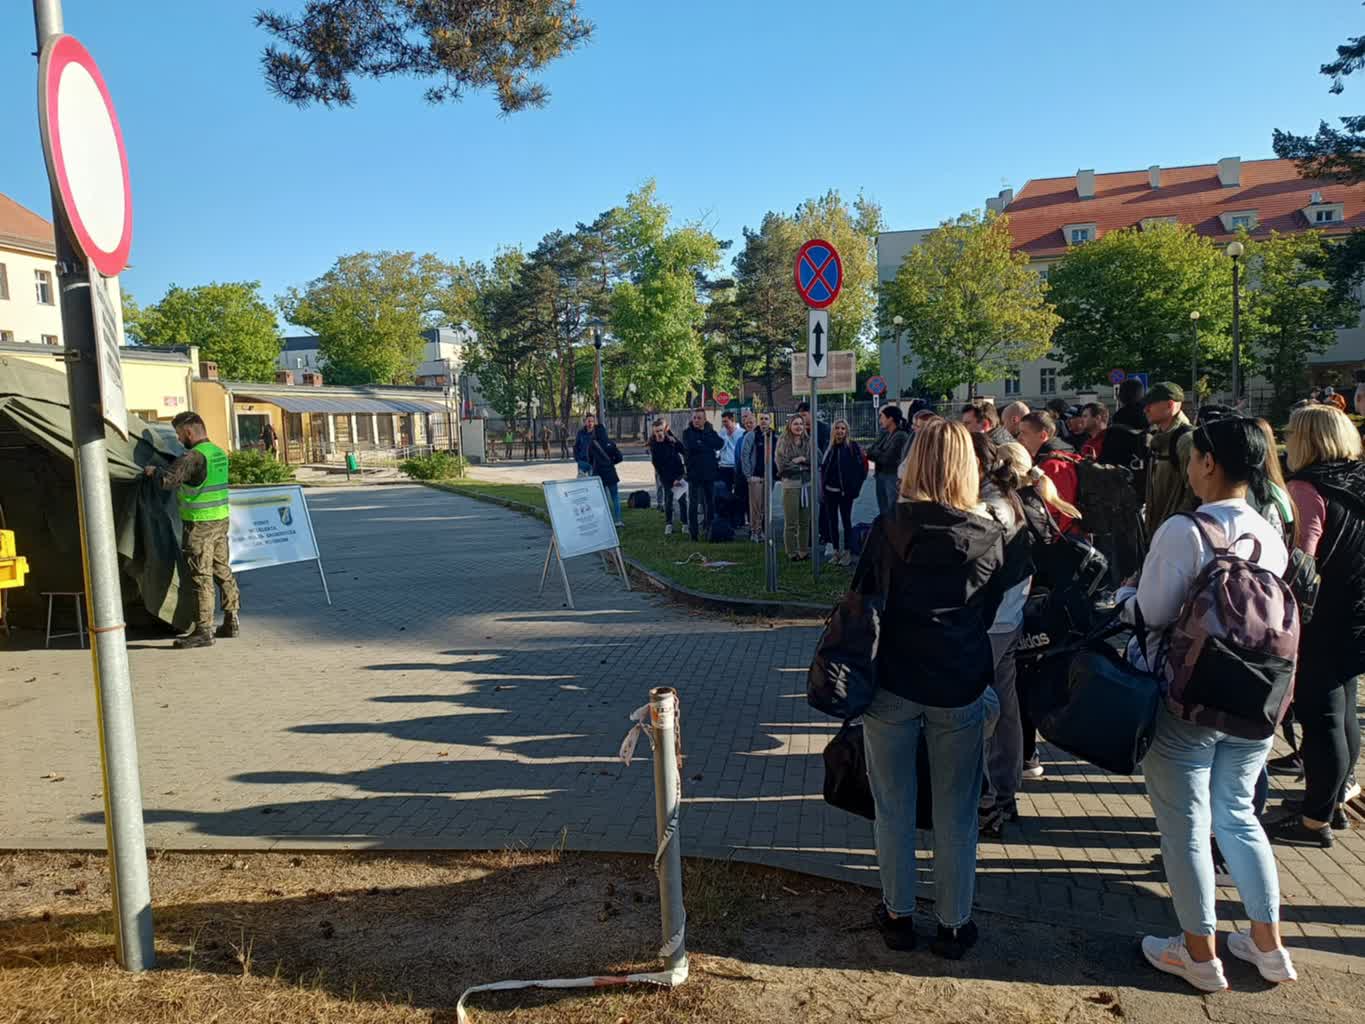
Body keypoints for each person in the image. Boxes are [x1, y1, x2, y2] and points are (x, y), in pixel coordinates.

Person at [1119, 417, 1296, 992]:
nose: (1189, 468)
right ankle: (1269, 945)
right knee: (1239, 815)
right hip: (1256, 694)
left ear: (1210, 463)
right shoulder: (1270, 530)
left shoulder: (1185, 529)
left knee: (1186, 827)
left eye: (1193, 458)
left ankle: (1198, 953)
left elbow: (1152, 612)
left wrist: (1121, 597)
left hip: (1189, 698)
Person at [853, 418, 1005, 959]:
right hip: (958, 682)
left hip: (892, 680)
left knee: (893, 807)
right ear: (969, 468)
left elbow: (863, 598)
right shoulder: (989, 535)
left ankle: (898, 915)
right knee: (956, 813)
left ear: (914, 463)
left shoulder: (888, 527)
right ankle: (954, 924)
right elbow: (989, 611)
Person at [1264, 405, 1365, 847]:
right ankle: (1333, 801)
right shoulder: (1359, 480)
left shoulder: (1307, 488)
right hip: (1358, 609)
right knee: (1344, 710)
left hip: (1325, 617)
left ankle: (1313, 822)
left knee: (1321, 718)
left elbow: (1302, 557)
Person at [973, 437, 1036, 837]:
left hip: (992, 621)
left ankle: (988, 798)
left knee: (983, 709)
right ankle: (1005, 793)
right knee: (1006, 704)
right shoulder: (1008, 498)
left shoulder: (987, 507)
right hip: (1009, 617)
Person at [144, 412, 240, 649]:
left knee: (200, 576)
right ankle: (231, 621)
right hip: (220, 520)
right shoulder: (218, 452)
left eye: (178, 434)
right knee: (222, 570)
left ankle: (204, 630)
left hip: (199, 525)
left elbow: (168, 480)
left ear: (188, 432)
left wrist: (154, 471)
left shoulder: (193, 456)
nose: (178, 439)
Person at [1143, 382, 1197, 536]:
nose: (1146, 409)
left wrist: (1175, 527)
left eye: (1151, 404)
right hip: (1159, 532)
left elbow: (1195, 494)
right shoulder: (1159, 438)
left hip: (1176, 535)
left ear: (1170, 405)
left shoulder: (1187, 441)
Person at [1016, 412, 1080, 534]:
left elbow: (1061, 510)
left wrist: (1052, 539)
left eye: (1024, 433)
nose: (1019, 438)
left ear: (1043, 435)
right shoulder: (1054, 456)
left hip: (1066, 536)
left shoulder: (1052, 466)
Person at [820, 419, 864, 565]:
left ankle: (847, 551)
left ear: (847, 431)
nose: (840, 431)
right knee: (832, 522)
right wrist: (823, 488)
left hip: (845, 493)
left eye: (843, 428)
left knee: (846, 521)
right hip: (830, 492)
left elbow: (861, 469)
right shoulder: (829, 447)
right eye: (837, 428)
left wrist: (854, 488)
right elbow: (824, 469)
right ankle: (836, 551)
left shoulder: (852, 447)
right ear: (833, 430)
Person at [1104, 379, 1151, 501]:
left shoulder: (1117, 422)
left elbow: (1107, 459)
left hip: (1123, 486)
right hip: (1150, 485)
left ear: (1120, 397)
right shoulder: (1152, 420)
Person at [681, 409, 723, 541]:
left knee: (710, 503)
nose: (696, 420)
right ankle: (693, 533)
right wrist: (706, 445)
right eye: (694, 418)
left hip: (709, 473)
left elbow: (719, 444)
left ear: (704, 420)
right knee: (693, 504)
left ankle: (709, 529)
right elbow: (691, 446)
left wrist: (702, 439)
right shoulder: (687, 433)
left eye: (699, 418)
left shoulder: (710, 431)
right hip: (694, 473)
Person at [775, 416, 812, 560]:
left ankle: (803, 550)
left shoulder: (808, 441)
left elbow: (817, 459)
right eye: (795, 424)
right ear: (790, 426)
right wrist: (802, 468)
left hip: (806, 485)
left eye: (801, 424)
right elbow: (782, 465)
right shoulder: (783, 442)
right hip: (791, 485)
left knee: (805, 522)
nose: (799, 426)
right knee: (791, 522)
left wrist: (803, 459)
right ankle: (791, 552)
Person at [866, 405, 910, 518]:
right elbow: (870, 451)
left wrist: (876, 453)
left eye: (882, 417)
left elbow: (887, 459)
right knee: (883, 510)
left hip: (892, 477)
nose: (880, 420)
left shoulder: (900, 436)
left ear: (890, 419)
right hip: (881, 475)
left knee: (892, 510)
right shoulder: (886, 433)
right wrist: (878, 452)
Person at [647, 419, 687, 537]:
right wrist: (670, 480)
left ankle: (685, 523)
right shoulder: (654, 446)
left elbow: (683, 450)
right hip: (666, 477)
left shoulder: (670, 440)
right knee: (668, 500)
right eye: (657, 431)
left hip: (678, 474)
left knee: (682, 500)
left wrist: (673, 438)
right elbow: (658, 467)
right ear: (654, 432)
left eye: (661, 430)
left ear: (664, 430)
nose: (659, 433)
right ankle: (669, 524)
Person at [740, 412, 776, 542]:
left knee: (766, 507)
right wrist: (749, 475)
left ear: (770, 421)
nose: (764, 421)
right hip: (756, 476)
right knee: (755, 507)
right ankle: (755, 532)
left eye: (766, 419)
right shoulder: (751, 435)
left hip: (770, 476)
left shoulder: (774, 436)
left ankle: (763, 532)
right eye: (761, 419)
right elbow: (744, 455)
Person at [586, 420, 623, 526]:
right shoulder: (611, 443)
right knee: (615, 497)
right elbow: (620, 457)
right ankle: (618, 520)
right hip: (610, 473)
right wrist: (611, 462)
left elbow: (589, 459)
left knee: (602, 499)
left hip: (598, 474)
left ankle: (605, 521)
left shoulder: (592, 444)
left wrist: (595, 464)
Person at [717, 411, 746, 525]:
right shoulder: (722, 432)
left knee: (739, 494)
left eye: (726, 421)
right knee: (725, 494)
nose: (724, 424)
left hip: (736, 467)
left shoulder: (741, 432)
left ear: (732, 420)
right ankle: (727, 518)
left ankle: (739, 519)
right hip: (724, 466)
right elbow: (719, 448)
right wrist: (725, 437)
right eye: (723, 422)